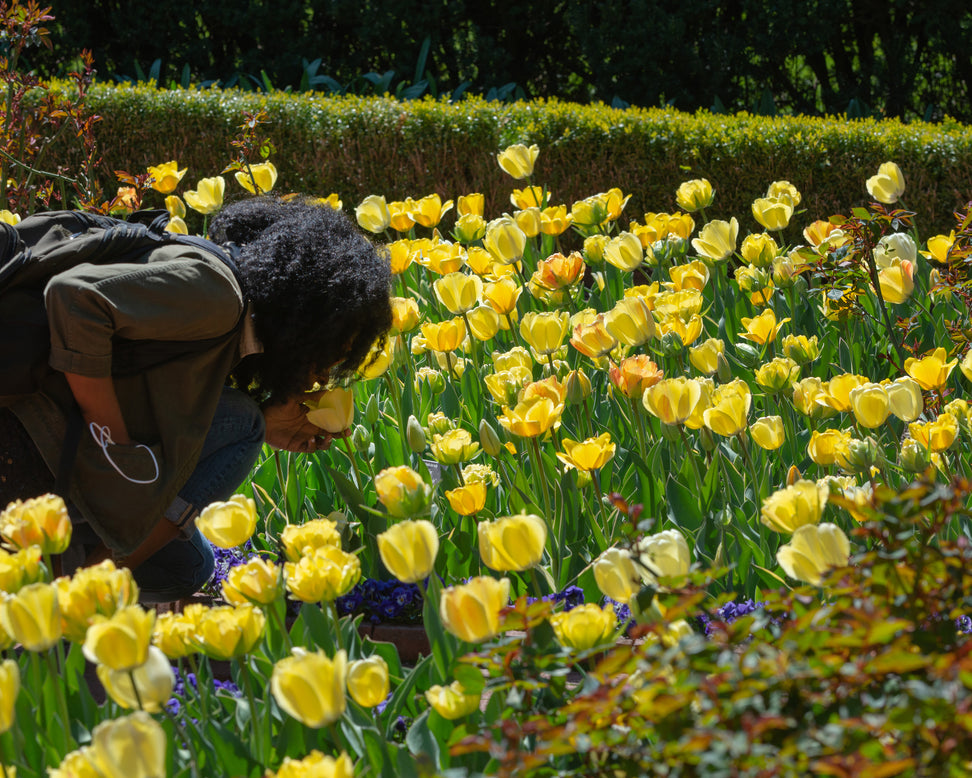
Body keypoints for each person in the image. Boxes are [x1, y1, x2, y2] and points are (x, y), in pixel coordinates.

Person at [0, 197, 393, 602]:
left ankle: (74, 579)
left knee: (186, 567)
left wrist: (269, 422)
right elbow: (75, 298)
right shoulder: (217, 294)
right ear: (310, 318)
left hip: (48, 428)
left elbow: (162, 392)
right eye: (332, 350)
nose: (324, 375)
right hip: (21, 431)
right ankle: (83, 591)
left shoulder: (230, 316)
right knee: (243, 425)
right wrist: (116, 447)